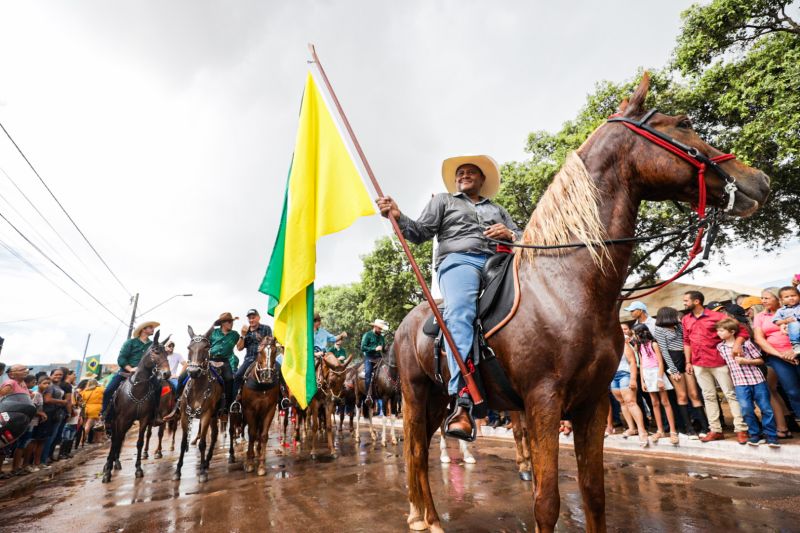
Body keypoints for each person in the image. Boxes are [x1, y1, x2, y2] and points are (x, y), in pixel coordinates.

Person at [376, 154, 521, 439]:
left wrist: (511, 234)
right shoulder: (444, 201)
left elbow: (526, 235)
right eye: (460, 173)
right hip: (460, 261)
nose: (463, 175)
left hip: (501, 262)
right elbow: (419, 232)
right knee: (461, 312)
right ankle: (463, 397)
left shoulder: (499, 209)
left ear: (482, 179)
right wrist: (397, 215)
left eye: (470, 172)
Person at [682, 291, 749, 443]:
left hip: (719, 360)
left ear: (697, 301)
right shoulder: (686, 319)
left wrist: (737, 344)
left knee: (730, 394)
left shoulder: (717, 316)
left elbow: (742, 330)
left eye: (686, 300)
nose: (684, 303)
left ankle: (741, 429)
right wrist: (688, 361)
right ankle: (716, 430)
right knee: (708, 396)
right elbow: (686, 341)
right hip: (698, 363)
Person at [716, 318, 779, 447]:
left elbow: (760, 360)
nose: (718, 333)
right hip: (739, 383)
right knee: (746, 409)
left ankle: (771, 436)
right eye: (718, 331)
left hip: (757, 380)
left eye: (721, 330)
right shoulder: (720, 347)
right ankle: (755, 434)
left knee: (766, 408)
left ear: (732, 331)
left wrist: (746, 361)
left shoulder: (746, 344)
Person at [653, 307, 708, 439]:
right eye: (674, 315)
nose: (678, 317)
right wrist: (673, 369)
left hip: (685, 359)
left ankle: (705, 427)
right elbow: (664, 352)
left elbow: (686, 341)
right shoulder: (659, 330)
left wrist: (688, 361)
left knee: (694, 394)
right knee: (682, 395)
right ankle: (688, 429)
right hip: (673, 361)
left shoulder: (679, 327)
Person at [753, 288, 800, 438]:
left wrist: (795, 351)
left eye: (767, 298)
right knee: (792, 391)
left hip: (797, 352)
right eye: (762, 298)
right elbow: (759, 339)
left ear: (778, 299)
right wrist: (780, 355)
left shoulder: (794, 310)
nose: (763, 301)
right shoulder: (760, 316)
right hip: (777, 357)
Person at [102, 321, 159, 425]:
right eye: (150, 327)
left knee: (159, 388)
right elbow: (121, 358)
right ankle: (103, 417)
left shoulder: (152, 345)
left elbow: (156, 358)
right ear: (143, 329)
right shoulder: (130, 342)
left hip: (146, 374)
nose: (152, 329)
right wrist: (130, 369)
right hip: (126, 371)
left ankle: (155, 416)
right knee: (108, 390)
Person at [633, 324, 679, 445]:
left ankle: (673, 431)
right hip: (647, 375)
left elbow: (660, 362)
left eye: (635, 334)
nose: (635, 336)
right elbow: (642, 363)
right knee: (654, 403)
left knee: (665, 402)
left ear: (641, 333)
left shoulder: (654, 344)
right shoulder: (639, 346)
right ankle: (660, 430)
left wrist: (660, 378)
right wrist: (642, 381)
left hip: (657, 373)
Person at [610, 324, 649, 448]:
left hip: (625, 374)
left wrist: (633, 378)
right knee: (622, 402)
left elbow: (632, 361)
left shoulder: (623, 344)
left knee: (631, 402)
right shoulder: (610, 345)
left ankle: (642, 431)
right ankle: (631, 428)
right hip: (613, 376)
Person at [231, 309, 273, 410]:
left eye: (253, 317)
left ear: (258, 318)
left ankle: (283, 398)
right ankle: (235, 402)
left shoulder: (266, 328)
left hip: (265, 358)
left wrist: (263, 345)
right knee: (237, 376)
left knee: (279, 371)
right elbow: (239, 348)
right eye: (249, 318)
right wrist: (243, 335)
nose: (251, 320)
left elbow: (271, 342)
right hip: (250, 359)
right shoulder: (246, 331)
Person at [209, 312, 240, 414]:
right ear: (222, 323)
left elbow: (240, 346)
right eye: (229, 322)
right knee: (193, 375)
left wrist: (244, 335)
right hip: (211, 360)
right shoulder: (213, 333)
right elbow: (205, 344)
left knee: (230, 379)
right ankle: (181, 401)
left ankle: (228, 405)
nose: (231, 323)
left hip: (225, 361)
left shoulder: (235, 335)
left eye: (232, 321)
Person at [40, 369, 67, 466]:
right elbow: (47, 400)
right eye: (56, 374)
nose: (58, 376)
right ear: (51, 375)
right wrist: (62, 402)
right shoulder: (50, 386)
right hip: (49, 414)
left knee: (51, 437)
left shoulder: (57, 386)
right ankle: (42, 460)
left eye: (61, 375)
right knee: (47, 438)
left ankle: (44, 458)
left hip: (56, 414)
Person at [362, 319, 389, 404]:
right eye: (379, 329)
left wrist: (386, 349)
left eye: (381, 329)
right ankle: (368, 395)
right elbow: (363, 347)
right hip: (369, 357)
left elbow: (383, 349)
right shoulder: (367, 335)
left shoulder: (381, 337)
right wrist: (374, 348)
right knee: (368, 374)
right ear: (375, 326)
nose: (381, 330)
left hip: (380, 358)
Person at [773, 286, 800, 355]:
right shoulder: (781, 311)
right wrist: (785, 321)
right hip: (793, 329)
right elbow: (776, 321)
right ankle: (796, 344)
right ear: (782, 300)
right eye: (787, 297)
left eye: (793, 295)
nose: (791, 298)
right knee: (794, 324)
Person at [78, 379, 104, 446]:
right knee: (90, 425)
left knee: (85, 425)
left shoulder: (85, 391)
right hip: (95, 409)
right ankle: (82, 441)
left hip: (86, 409)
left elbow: (80, 398)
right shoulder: (100, 389)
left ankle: (82, 440)